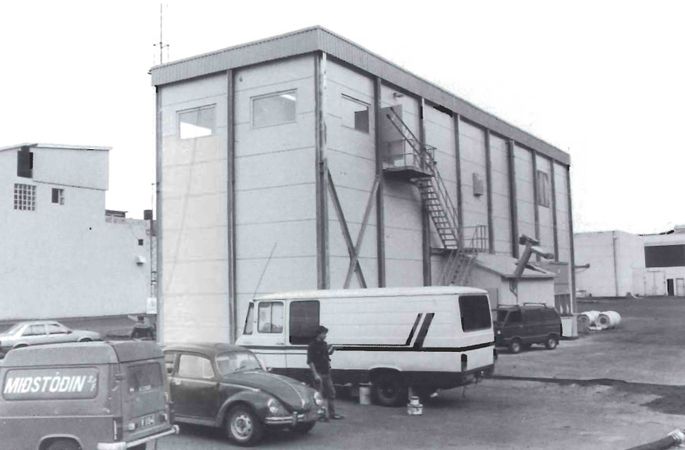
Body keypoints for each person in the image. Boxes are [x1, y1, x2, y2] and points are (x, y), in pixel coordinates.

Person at [307, 325, 343, 420]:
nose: (325, 335)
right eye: (324, 334)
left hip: (326, 372)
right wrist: (315, 374)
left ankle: (332, 413)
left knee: (331, 393)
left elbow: (326, 357)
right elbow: (310, 361)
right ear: (319, 334)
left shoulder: (324, 344)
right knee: (319, 395)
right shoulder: (312, 346)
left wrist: (329, 367)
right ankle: (320, 415)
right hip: (318, 373)